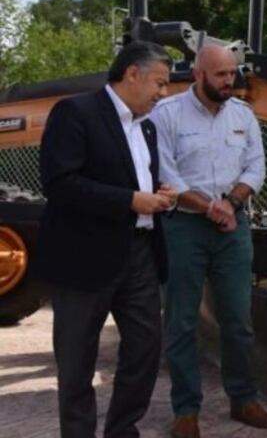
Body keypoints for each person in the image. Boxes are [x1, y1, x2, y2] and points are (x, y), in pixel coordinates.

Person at [34, 40, 177, 438]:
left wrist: (158, 194)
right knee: (77, 359)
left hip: (140, 254)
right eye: (159, 83)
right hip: (84, 256)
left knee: (145, 350)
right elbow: (60, 183)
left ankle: (122, 430)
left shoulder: (146, 126)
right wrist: (131, 199)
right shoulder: (76, 112)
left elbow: (131, 178)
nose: (163, 93)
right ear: (132, 74)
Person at [151, 44, 267, 437]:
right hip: (183, 228)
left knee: (238, 318)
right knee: (181, 321)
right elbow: (165, 174)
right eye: (220, 74)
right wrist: (209, 208)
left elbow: (255, 167)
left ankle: (244, 398)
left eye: (232, 73)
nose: (228, 81)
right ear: (198, 74)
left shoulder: (243, 115)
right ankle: (186, 410)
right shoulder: (167, 114)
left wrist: (231, 204)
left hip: (233, 228)